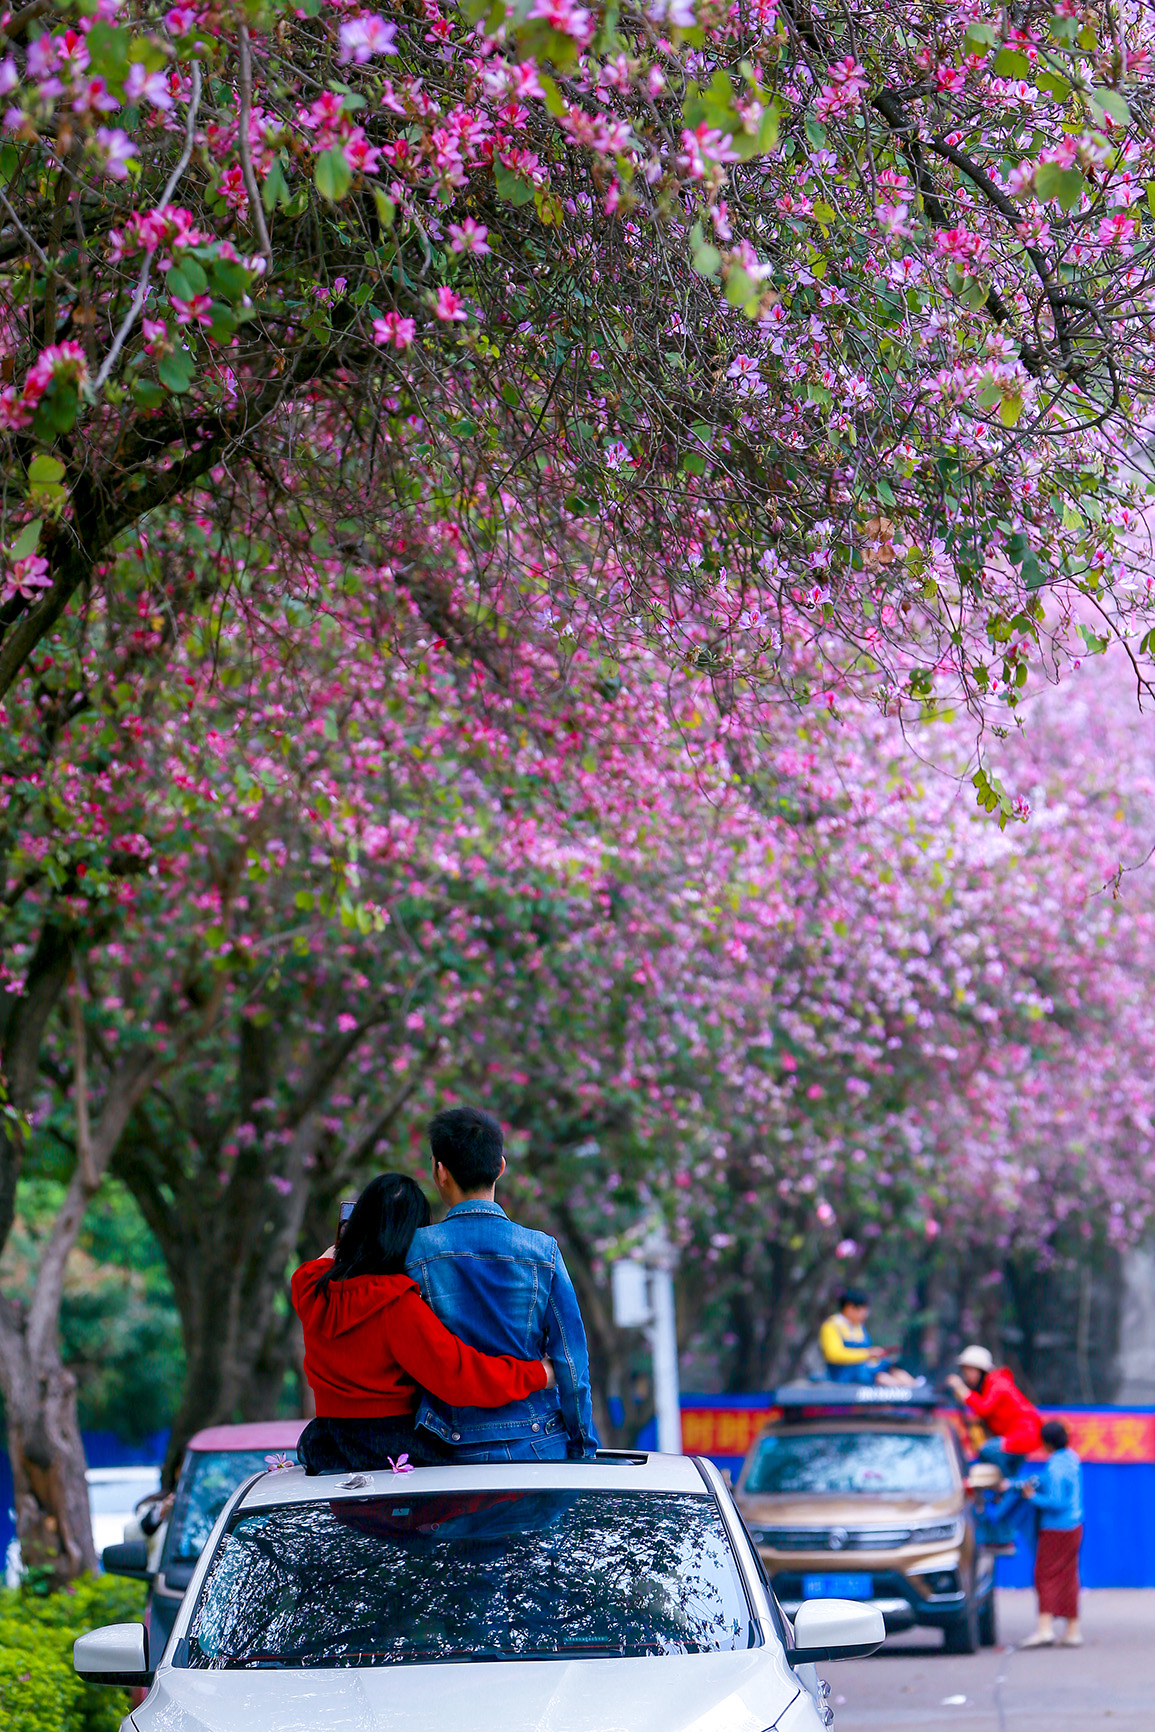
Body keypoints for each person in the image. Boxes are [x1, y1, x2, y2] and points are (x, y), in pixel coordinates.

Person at [291, 1172, 555, 1474]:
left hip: (330, 1441)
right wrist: (539, 1374)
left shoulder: (310, 1286)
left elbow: (327, 1259)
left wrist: (347, 1247)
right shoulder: (394, 1304)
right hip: (389, 1447)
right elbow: (460, 1375)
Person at [406, 1105, 599, 1461]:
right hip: (538, 1448)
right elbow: (571, 1365)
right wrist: (583, 1448)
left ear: (440, 1171)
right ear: (500, 1167)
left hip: (446, 1452)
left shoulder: (414, 1253)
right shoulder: (543, 1251)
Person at [1010, 1420, 1084, 1649]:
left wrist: (1032, 1497)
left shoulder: (1055, 1466)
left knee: (1045, 1575)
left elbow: (1056, 1502)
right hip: (1075, 1525)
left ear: (1046, 1443)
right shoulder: (1072, 1458)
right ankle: (1073, 1630)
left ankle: (1045, 1629)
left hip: (1056, 1529)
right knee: (1068, 1576)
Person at [945, 1345, 1042, 1475]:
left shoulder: (997, 1383)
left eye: (969, 1370)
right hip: (1016, 1437)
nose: (966, 1375)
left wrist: (963, 1390)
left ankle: (1005, 1484)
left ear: (980, 1370)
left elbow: (984, 1408)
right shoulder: (989, 1386)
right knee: (1010, 1475)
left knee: (987, 1451)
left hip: (1022, 1436)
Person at [819, 1289, 917, 1387]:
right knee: (882, 1377)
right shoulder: (832, 1326)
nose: (865, 1314)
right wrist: (867, 1354)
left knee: (891, 1368)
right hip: (844, 1376)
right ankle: (907, 1390)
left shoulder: (859, 1327)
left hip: (864, 1370)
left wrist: (876, 1355)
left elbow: (867, 1353)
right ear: (849, 1308)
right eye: (862, 1309)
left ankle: (915, 1387)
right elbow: (834, 1354)